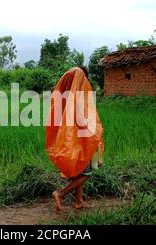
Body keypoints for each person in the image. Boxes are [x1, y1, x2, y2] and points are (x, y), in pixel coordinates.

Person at [45, 66, 104, 211]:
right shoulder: (77, 98)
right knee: (86, 174)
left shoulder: (64, 96)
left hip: (74, 143)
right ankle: (60, 193)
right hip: (82, 142)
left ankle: (78, 201)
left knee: (79, 172)